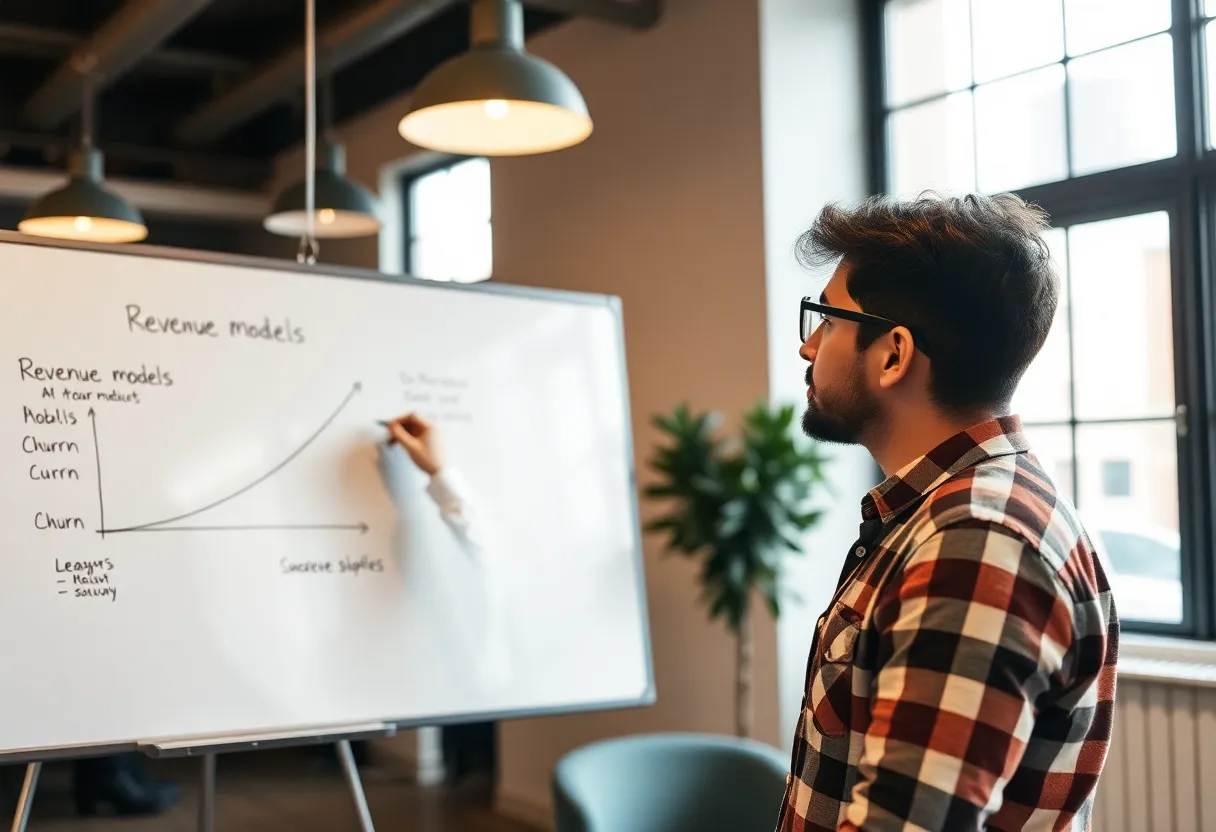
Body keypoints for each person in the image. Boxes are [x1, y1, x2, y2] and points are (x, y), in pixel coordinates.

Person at [778, 193, 1118, 831]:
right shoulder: (958, 514)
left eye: (826, 318)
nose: (809, 347)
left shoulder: (976, 540)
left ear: (894, 353)